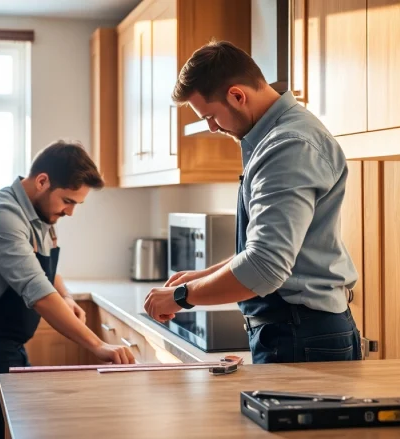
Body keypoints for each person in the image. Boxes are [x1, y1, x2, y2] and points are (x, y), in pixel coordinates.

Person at [143, 40, 362, 364]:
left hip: (302, 336)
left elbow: (265, 266)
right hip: (299, 331)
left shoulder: (286, 147)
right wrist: (200, 278)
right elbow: (269, 252)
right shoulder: (279, 139)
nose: (212, 127)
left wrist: (181, 297)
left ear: (237, 95)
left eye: (211, 116)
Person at [0, 139, 136, 438]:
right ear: (43, 181)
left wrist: (66, 296)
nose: (70, 212)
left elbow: (43, 270)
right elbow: (37, 291)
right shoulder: (1, 215)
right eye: (68, 201)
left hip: (4, 347)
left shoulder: (39, 213)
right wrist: (98, 345)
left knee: (25, 429)